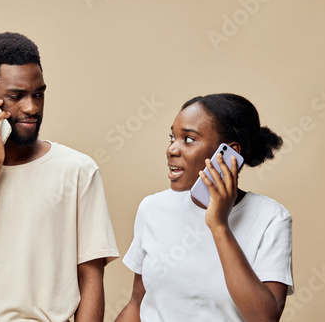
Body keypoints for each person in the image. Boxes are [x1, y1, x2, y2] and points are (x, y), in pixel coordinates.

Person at [0, 32, 119, 322]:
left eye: (38, 94)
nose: (32, 108)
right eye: (16, 96)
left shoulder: (78, 170)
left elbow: (90, 276)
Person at [116, 93, 294, 321]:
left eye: (188, 139)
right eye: (172, 137)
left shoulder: (271, 218)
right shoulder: (152, 208)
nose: (172, 149)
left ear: (230, 153)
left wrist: (219, 226)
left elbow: (264, 318)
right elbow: (137, 304)